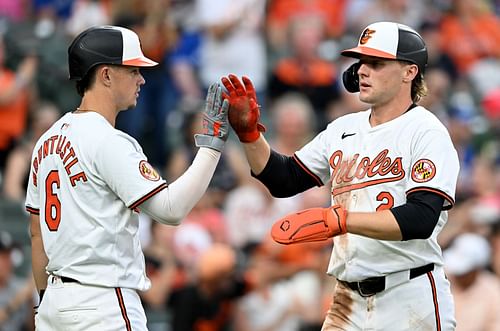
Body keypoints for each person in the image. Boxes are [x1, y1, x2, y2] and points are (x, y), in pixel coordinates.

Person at [222, 21, 460, 330]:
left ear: (409, 71)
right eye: (361, 62)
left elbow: (420, 219)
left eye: (376, 63)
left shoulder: (426, 131)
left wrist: (342, 220)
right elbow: (284, 179)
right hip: (348, 298)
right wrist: (250, 135)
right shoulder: (343, 129)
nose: (362, 70)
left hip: (409, 294)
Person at [24, 25, 229, 331]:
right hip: (104, 302)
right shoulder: (109, 140)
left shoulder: (46, 141)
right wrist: (212, 148)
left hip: (55, 303)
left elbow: (37, 234)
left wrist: (44, 302)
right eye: (133, 70)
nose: (142, 79)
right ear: (106, 75)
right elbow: (170, 210)